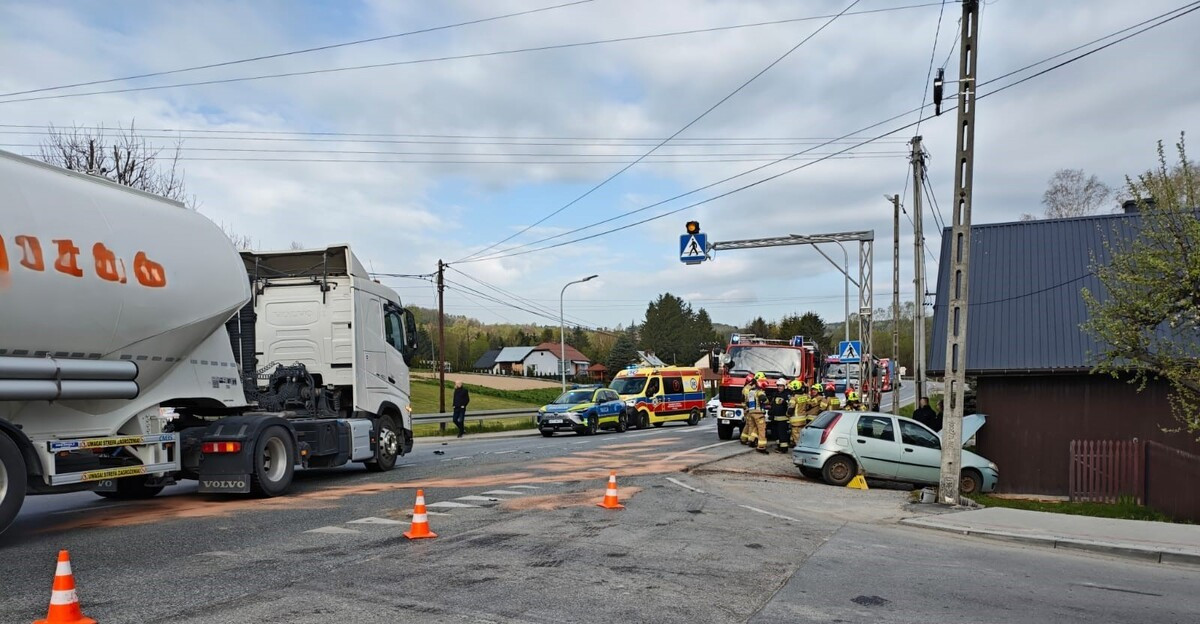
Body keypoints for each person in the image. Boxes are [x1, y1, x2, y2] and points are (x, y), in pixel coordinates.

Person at [769, 378, 792, 453]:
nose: (779, 387)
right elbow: (773, 405)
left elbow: (790, 405)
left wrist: (785, 402)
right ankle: (779, 447)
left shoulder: (787, 394)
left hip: (783, 419)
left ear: (784, 386)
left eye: (781, 386)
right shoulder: (775, 394)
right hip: (775, 418)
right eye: (778, 386)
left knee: (782, 434)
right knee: (776, 434)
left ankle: (784, 449)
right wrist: (771, 413)